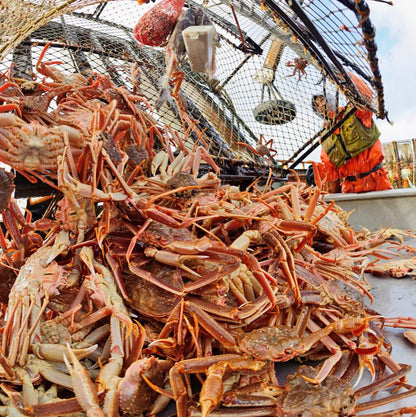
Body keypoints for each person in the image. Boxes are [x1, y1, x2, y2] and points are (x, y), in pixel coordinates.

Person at [311, 92, 392, 193]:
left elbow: (366, 97)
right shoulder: (325, 136)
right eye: (317, 105)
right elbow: (331, 170)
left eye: (322, 100)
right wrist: (317, 172)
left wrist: (344, 78)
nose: (321, 105)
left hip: (377, 182)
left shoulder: (355, 112)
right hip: (350, 188)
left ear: (331, 99)